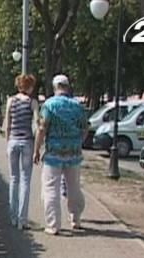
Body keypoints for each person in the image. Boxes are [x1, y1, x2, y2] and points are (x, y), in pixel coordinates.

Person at [33, 74, 87, 235]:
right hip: (74, 154)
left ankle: (53, 224)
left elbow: (41, 129)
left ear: (55, 87)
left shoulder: (49, 105)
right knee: (74, 187)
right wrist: (77, 143)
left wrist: (36, 149)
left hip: (53, 154)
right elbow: (85, 129)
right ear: (67, 86)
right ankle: (75, 218)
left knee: (51, 189)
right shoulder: (77, 106)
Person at [5, 74, 39, 229]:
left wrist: (8, 142)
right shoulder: (33, 103)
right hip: (27, 142)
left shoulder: (10, 101)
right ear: (30, 87)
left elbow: (8, 124)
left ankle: (12, 217)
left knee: (13, 179)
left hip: (13, 141)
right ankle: (22, 220)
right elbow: (37, 124)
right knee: (25, 180)